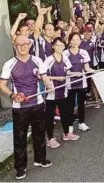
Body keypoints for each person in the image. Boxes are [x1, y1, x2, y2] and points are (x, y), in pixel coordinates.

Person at [0, 36, 53, 180]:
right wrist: (13, 96)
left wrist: (48, 86)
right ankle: (20, 168)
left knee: (39, 133)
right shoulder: (9, 64)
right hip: (20, 108)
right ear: (15, 46)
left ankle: (40, 159)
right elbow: (2, 85)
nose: (21, 47)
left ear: (29, 45)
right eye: (18, 45)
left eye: (24, 44)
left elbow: (44, 77)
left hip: (37, 103)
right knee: (20, 138)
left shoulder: (37, 60)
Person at [44, 37, 80, 149]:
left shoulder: (65, 58)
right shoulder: (48, 60)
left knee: (65, 113)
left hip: (63, 91)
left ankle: (66, 133)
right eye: (57, 45)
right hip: (52, 92)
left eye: (62, 45)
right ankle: (50, 138)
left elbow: (68, 72)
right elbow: (43, 75)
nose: (60, 47)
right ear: (53, 46)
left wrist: (75, 74)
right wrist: (56, 78)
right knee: (49, 116)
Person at [64, 33, 94, 132]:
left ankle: (82, 122)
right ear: (69, 41)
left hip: (82, 82)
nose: (75, 42)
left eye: (77, 40)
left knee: (81, 104)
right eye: (73, 40)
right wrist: (72, 74)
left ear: (80, 41)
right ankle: (70, 125)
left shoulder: (84, 52)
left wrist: (94, 71)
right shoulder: (65, 53)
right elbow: (65, 70)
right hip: (69, 83)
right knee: (70, 105)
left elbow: (86, 68)